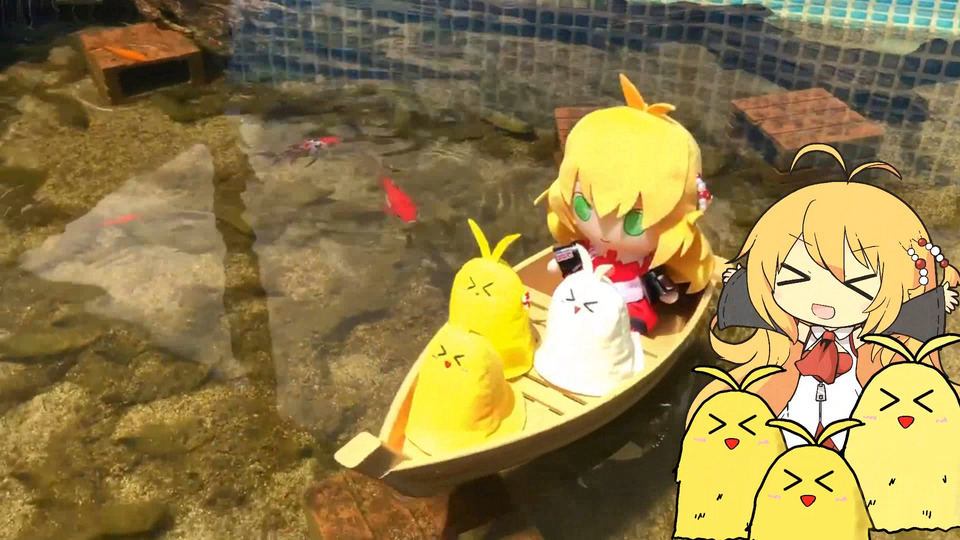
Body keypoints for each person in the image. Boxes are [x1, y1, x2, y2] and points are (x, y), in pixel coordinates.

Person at [689, 143, 959, 451]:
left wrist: (935, 302)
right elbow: (751, 300)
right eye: (796, 276)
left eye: (856, 284)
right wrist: (738, 281)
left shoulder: (882, 344)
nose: (823, 301)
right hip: (790, 423)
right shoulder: (786, 334)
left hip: (856, 425)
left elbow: (909, 317)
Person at [535, 73, 715, 335]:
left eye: (634, 223)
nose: (604, 232)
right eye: (583, 206)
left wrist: (668, 292)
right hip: (583, 296)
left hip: (628, 307)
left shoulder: (644, 262)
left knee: (632, 324)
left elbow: (661, 284)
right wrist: (558, 264)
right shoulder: (588, 249)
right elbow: (566, 259)